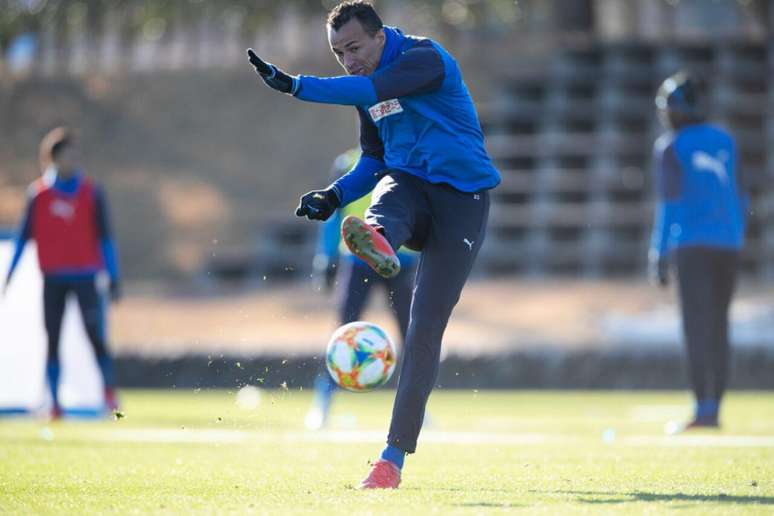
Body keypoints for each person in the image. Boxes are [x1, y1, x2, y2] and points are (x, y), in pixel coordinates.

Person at [246, 1, 499, 488]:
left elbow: (370, 87)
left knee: (424, 330)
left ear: (381, 37)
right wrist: (335, 196)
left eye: (354, 47)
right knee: (391, 190)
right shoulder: (365, 86)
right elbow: (373, 159)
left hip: (462, 201)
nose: (348, 59)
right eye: (338, 53)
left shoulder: (424, 58)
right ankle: (378, 237)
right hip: (407, 188)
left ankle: (391, 459)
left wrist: (297, 85)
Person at [649, 72, 747, 431]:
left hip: (692, 246)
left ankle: (703, 409)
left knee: (696, 327)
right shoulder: (726, 140)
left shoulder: (671, 146)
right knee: (719, 327)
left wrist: (657, 253)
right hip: (728, 246)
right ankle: (714, 408)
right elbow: (741, 195)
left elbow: (669, 205)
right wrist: (736, 236)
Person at [2, 127, 122, 420]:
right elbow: (22, 238)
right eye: (67, 155)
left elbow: (105, 238)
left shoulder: (91, 192)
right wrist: (9, 275)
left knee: (96, 336)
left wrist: (113, 275)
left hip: (85, 276)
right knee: (52, 339)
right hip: (53, 278)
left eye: (75, 155)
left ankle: (109, 395)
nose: (74, 161)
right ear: (52, 159)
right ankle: (54, 403)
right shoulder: (39, 195)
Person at [305, 148, 417, 431]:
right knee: (344, 330)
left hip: (401, 259)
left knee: (414, 334)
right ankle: (324, 403)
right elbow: (333, 213)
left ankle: (416, 407)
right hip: (356, 260)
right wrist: (326, 256)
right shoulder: (346, 162)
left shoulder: (408, 158)